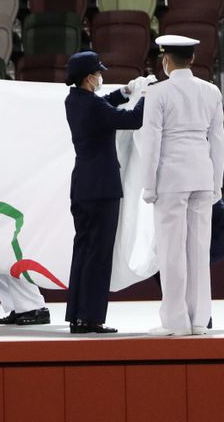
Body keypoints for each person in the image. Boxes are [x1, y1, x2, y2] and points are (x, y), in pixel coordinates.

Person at [137, 35, 224, 336]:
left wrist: (149, 184)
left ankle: (176, 321)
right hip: (202, 174)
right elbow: (217, 140)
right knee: (198, 251)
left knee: (172, 251)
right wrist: (218, 182)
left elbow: (152, 141)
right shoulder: (211, 91)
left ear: (166, 61)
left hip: (172, 178)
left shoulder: (158, 93)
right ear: (191, 59)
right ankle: (199, 319)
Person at [63, 51, 149, 334]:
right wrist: (146, 96)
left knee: (84, 252)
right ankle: (90, 317)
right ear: (89, 78)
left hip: (83, 187)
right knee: (98, 256)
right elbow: (134, 120)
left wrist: (124, 92)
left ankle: (77, 314)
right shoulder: (92, 107)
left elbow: (101, 103)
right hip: (102, 188)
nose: (101, 77)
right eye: (98, 74)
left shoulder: (74, 100)